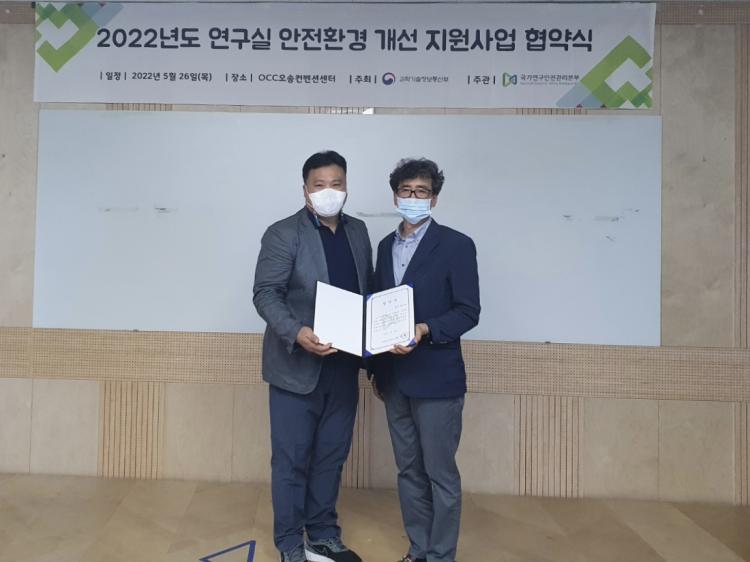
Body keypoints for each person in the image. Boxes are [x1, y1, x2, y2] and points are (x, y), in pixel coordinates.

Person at [253, 150, 372, 562]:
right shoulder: (283, 233)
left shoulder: (358, 231)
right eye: (319, 185)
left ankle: (322, 533)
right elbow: (266, 294)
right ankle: (289, 543)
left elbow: (367, 290)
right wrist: (297, 333)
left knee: (331, 456)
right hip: (296, 368)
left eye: (336, 184)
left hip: (344, 366)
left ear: (346, 186)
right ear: (305, 190)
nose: (328, 192)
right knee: (291, 460)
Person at [370, 158, 480, 562]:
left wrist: (425, 328)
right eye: (406, 190)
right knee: (409, 472)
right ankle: (418, 550)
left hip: (437, 378)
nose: (413, 197)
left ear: (434, 198)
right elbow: (378, 308)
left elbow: (468, 311)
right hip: (394, 379)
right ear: (395, 196)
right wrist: (376, 372)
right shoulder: (385, 246)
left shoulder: (457, 245)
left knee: (440, 474)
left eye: (422, 191)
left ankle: (440, 555)